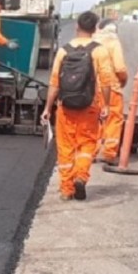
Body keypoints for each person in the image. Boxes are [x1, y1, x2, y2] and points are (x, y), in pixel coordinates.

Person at [40, 11, 117, 201]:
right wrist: (106, 105)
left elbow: (54, 83)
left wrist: (47, 108)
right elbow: (106, 81)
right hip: (89, 105)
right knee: (87, 143)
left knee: (66, 147)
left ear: (77, 26)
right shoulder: (99, 51)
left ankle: (66, 189)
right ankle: (81, 177)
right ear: (95, 29)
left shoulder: (64, 51)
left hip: (65, 106)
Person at [93, 19, 128, 165]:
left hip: (94, 88)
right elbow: (119, 68)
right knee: (114, 118)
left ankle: (92, 151)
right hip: (111, 87)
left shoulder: (93, 42)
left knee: (95, 118)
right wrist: (123, 80)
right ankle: (108, 153)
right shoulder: (114, 42)